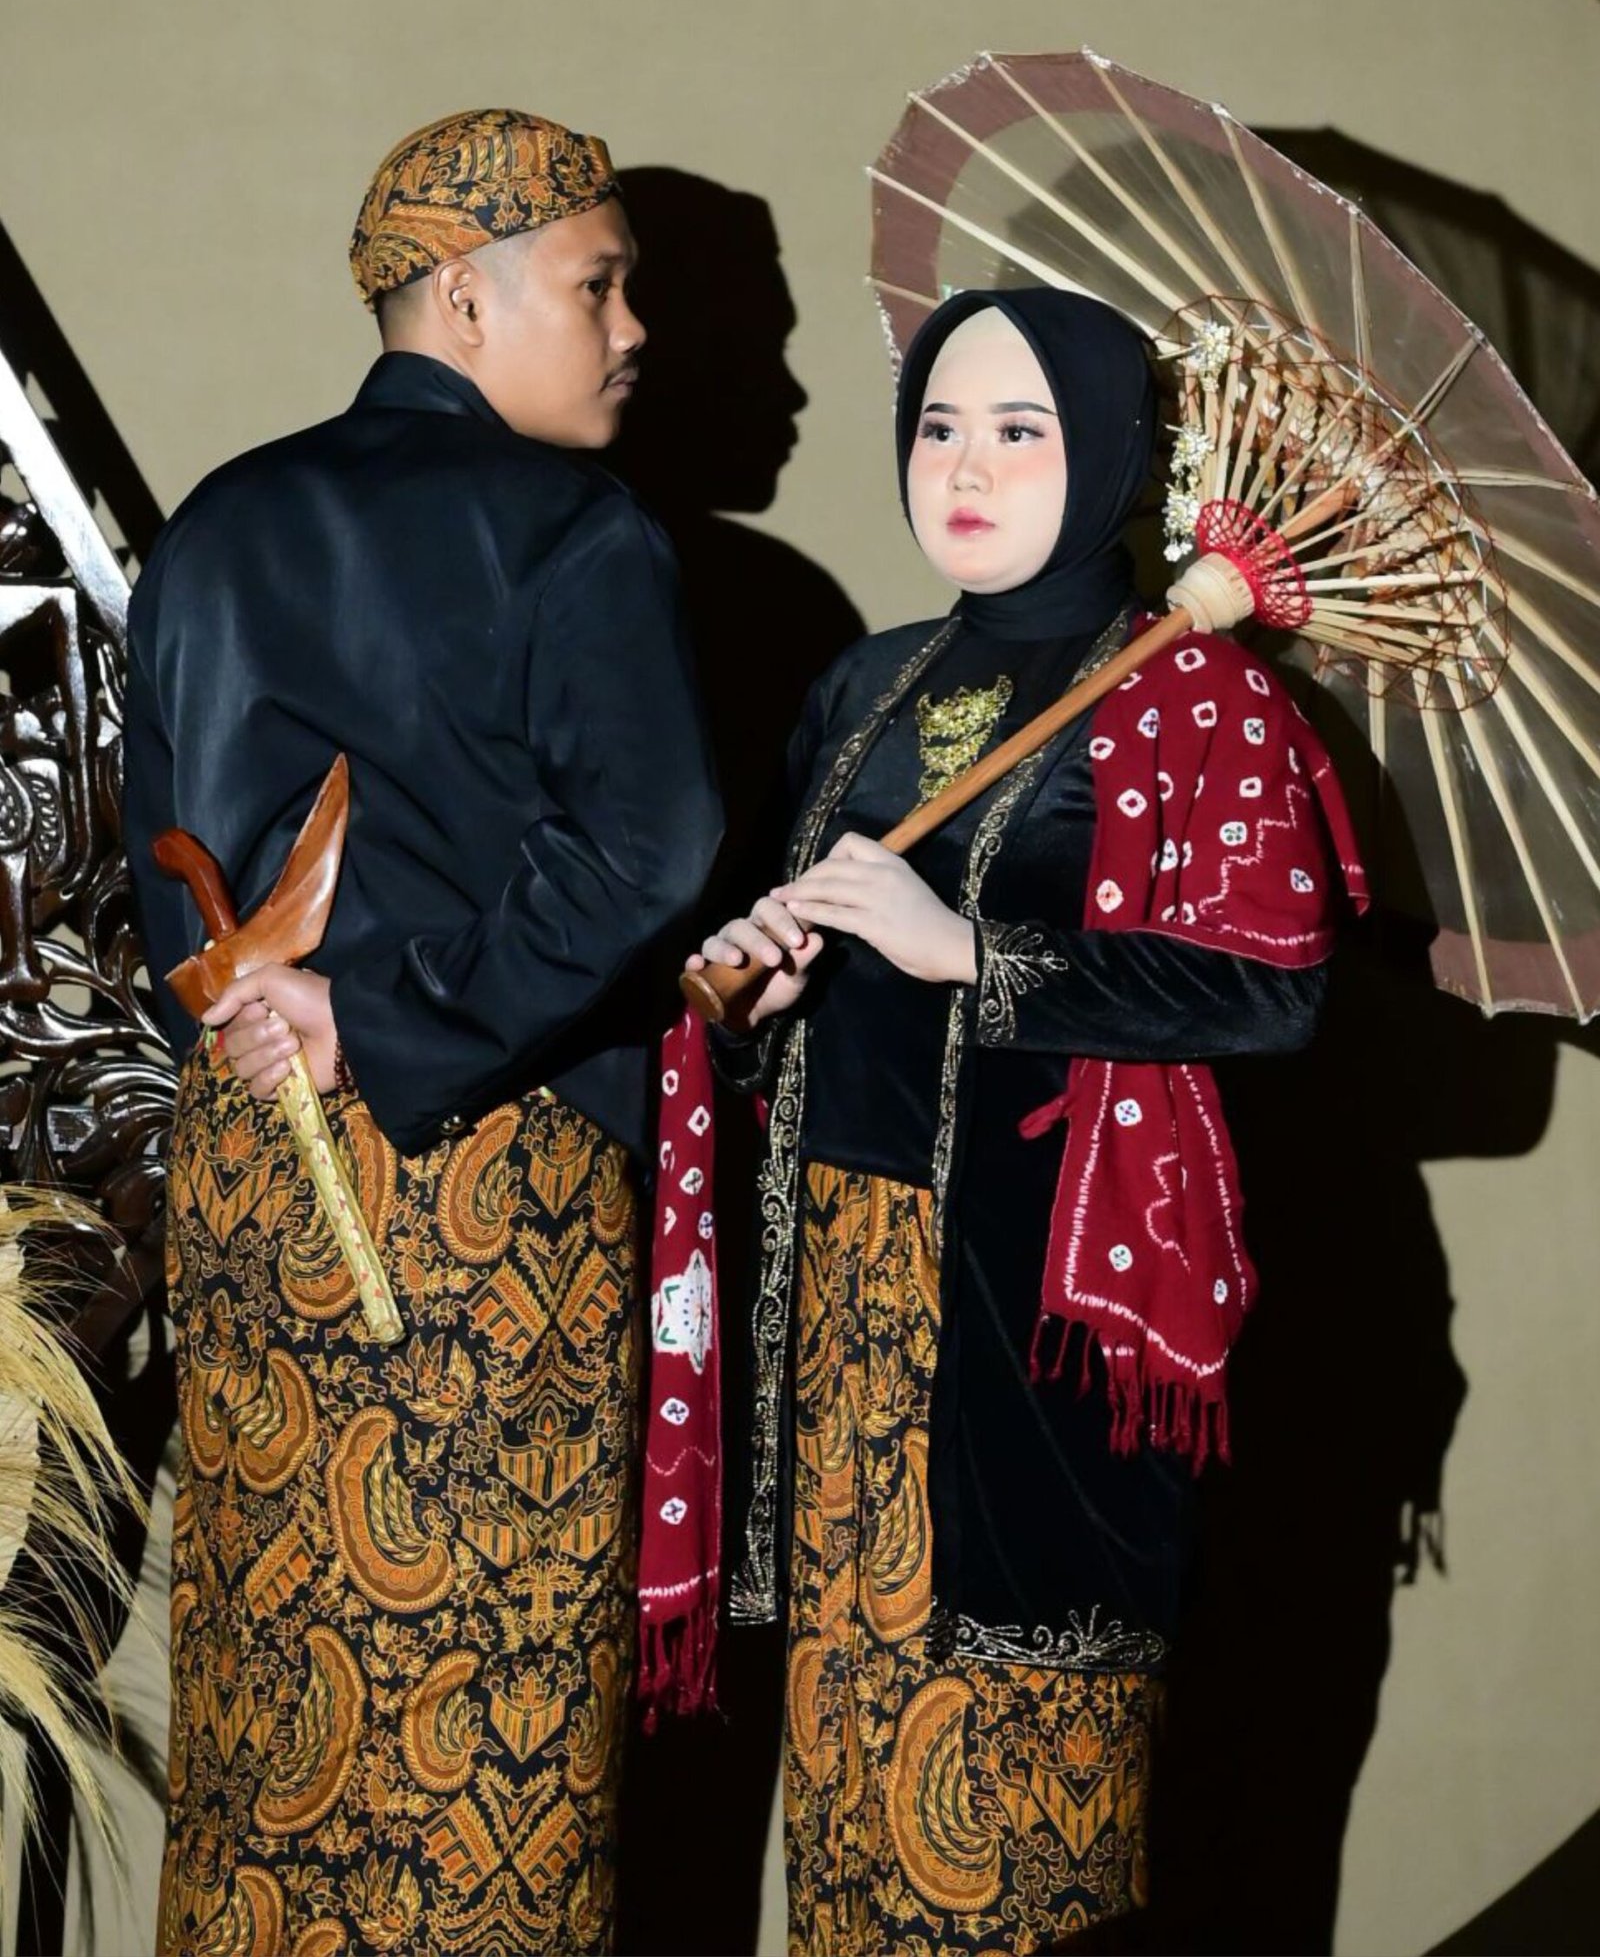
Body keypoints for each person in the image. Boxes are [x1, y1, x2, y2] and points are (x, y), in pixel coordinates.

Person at [688, 289, 1364, 1954]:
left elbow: (1273, 985)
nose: (965, 467)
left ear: (1116, 456)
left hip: (1033, 1324)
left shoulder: (1200, 696)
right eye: (937, 426)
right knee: (847, 1815)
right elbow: (808, 990)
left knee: (1018, 1828)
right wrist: (759, 1004)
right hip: (841, 1317)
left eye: (1019, 431)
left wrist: (971, 950)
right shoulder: (863, 685)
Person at [123, 107, 722, 1956]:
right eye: (598, 285)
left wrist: (295, 1016)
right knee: (484, 1749)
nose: (634, 328)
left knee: (270, 1736)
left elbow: (168, 899)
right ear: (463, 300)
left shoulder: (214, 526)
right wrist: (394, 1015)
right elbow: (654, 846)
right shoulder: (574, 529)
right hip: (487, 1208)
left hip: (250, 1195)